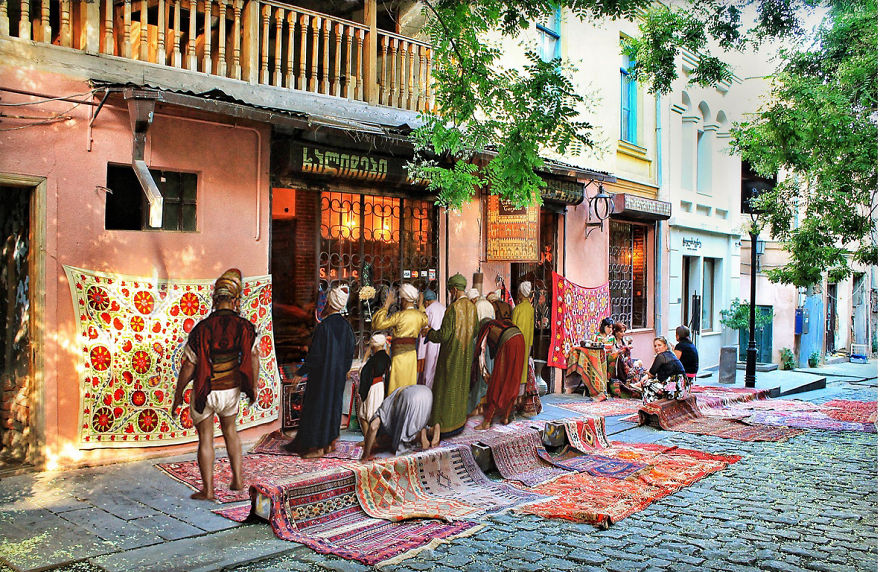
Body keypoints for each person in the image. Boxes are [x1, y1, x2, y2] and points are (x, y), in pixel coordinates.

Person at [171, 268, 258, 500]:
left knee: (205, 439)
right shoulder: (245, 326)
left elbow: (189, 366)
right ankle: (238, 480)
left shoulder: (201, 328)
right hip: (230, 390)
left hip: (205, 389)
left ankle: (208, 491)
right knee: (231, 431)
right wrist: (254, 385)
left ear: (215, 299)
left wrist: (178, 394)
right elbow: (254, 357)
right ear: (235, 300)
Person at [284, 285, 356, 457]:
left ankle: (317, 448)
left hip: (322, 377)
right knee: (333, 406)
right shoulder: (347, 327)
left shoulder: (324, 327)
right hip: (337, 376)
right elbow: (349, 352)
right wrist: (343, 370)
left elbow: (315, 356)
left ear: (330, 304)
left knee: (318, 408)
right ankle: (330, 443)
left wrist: (301, 372)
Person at [426, 273, 479, 437]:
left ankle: (443, 428)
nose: (450, 294)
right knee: (461, 388)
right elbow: (476, 330)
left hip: (450, 359)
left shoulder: (453, 309)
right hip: (466, 357)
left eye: (451, 291)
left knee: (445, 391)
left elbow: (443, 335)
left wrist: (429, 332)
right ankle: (458, 424)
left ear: (454, 290)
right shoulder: (472, 307)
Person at [372, 283, 428, 394]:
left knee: (396, 387)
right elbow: (425, 318)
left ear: (404, 300)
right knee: (409, 386)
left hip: (399, 357)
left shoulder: (399, 316)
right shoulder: (419, 315)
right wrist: (421, 305)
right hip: (412, 355)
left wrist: (386, 305)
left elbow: (377, 324)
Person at [471, 318, 525, 430]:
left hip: (508, 342)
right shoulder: (501, 324)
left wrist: (484, 373)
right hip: (520, 338)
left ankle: (487, 422)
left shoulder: (486, 328)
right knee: (514, 379)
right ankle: (505, 417)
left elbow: (481, 351)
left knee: (497, 382)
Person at [360, 384, 440, 461]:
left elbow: (373, 427)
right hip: (426, 392)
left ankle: (421, 434)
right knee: (414, 423)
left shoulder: (381, 413)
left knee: (404, 436)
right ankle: (431, 430)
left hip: (409, 398)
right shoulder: (388, 403)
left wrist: (365, 455)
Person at [356, 333, 391, 431]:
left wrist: (365, 358)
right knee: (369, 414)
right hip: (379, 387)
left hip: (373, 387)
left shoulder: (374, 359)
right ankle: (368, 439)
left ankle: (369, 439)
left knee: (366, 414)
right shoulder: (386, 357)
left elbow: (362, 372)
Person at [638, 337, 687, 403]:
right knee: (653, 383)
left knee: (646, 383)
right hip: (682, 389)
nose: (657, 348)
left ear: (666, 346)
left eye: (659, 345)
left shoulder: (661, 356)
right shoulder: (671, 354)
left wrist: (644, 371)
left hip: (673, 390)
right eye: (655, 346)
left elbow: (651, 374)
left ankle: (650, 404)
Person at [607, 322, 645, 398]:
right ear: (616, 332)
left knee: (639, 362)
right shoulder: (612, 340)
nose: (623, 334)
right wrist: (622, 351)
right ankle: (630, 379)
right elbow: (614, 354)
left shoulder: (623, 341)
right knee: (622, 360)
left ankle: (637, 382)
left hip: (625, 361)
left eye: (624, 331)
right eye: (621, 332)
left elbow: (627, 355)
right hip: (617, 363)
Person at [417, 289, 444, 388]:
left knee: (428, 371)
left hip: (430, 343)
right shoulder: (443, 308)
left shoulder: (428, 310)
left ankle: (428, 393)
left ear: (426, 301)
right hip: (441, 342)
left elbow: (423, 330)